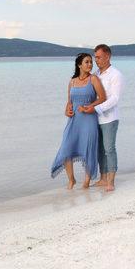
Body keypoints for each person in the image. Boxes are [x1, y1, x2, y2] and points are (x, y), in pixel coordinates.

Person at [51, 53, 106, 189]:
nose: (90, 64)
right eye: (87, 62)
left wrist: (90, 106)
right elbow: (69, 102)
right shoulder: (72, 81)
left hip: (89, 119)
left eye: (91, 62)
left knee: (88, 149)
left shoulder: (93, 79)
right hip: (74, 120)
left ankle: (86, 182)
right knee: (66, 148)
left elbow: (102, 97)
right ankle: (72, 180)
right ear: (79, 65)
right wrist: (66, 110)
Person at [85, 44, 124, 192]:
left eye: (99, 57)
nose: (96, 60)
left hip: (110, 118)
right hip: (95, 118)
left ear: (108, 56)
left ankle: (111, 181)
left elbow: (115, 98)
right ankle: (102, 178)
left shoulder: (116, 75)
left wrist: (97, 108)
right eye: (95, 57)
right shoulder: (96, 75)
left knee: (109, 149)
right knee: (99, 150)